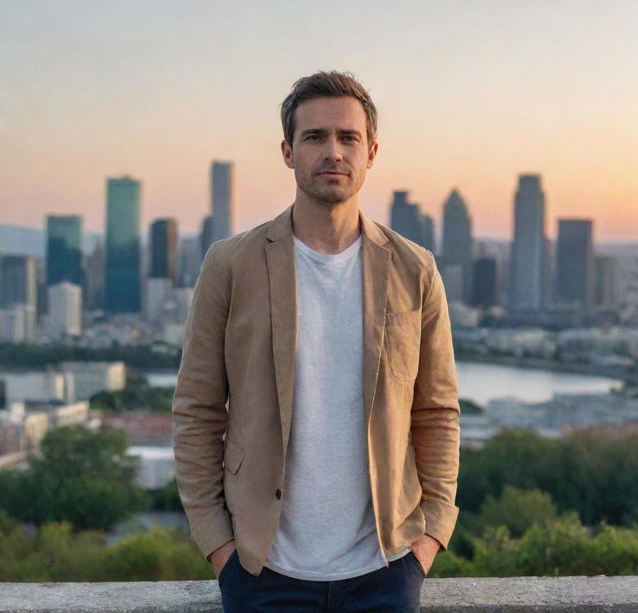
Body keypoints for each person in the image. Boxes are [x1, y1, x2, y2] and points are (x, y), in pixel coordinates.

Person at [172, 71, 460, 612]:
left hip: (385, 568)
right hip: (262, 570)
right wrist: (220, 548)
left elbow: (438, 411)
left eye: (348, 138)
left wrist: (428, 541)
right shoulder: (231, 264)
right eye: (315, 137)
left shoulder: (414, 270)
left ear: (371, 152)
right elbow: (197, 410)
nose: (333, 152)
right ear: (288, 151)